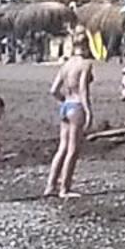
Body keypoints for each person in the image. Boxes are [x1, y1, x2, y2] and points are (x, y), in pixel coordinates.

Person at [46, 34, 96, 198]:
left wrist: (63, 101)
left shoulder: (66, 64)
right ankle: (64, 189)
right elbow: (83, 89)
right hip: (76, 106)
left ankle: (50, 186)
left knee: (62, 148)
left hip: (66, 105)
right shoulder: (86, 64)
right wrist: (88, 111)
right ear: (87, 45)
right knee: (73, 150)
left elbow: (54, 90)